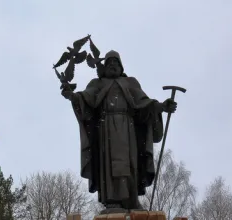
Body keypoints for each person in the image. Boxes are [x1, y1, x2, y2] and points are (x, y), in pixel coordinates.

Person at [61, 50, 177, 210]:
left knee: (130, 162)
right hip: (106, 127)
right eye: (109, 62)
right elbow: (85, 99)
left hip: (128, 128)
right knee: (109, 164)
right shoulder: (97, 83)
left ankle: (132, 199)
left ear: (121, 66)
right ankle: (112, 200)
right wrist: (72, 96)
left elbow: (145, 103)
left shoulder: (130, 82)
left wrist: (162, 106)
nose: (112, 65)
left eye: (115, 62)